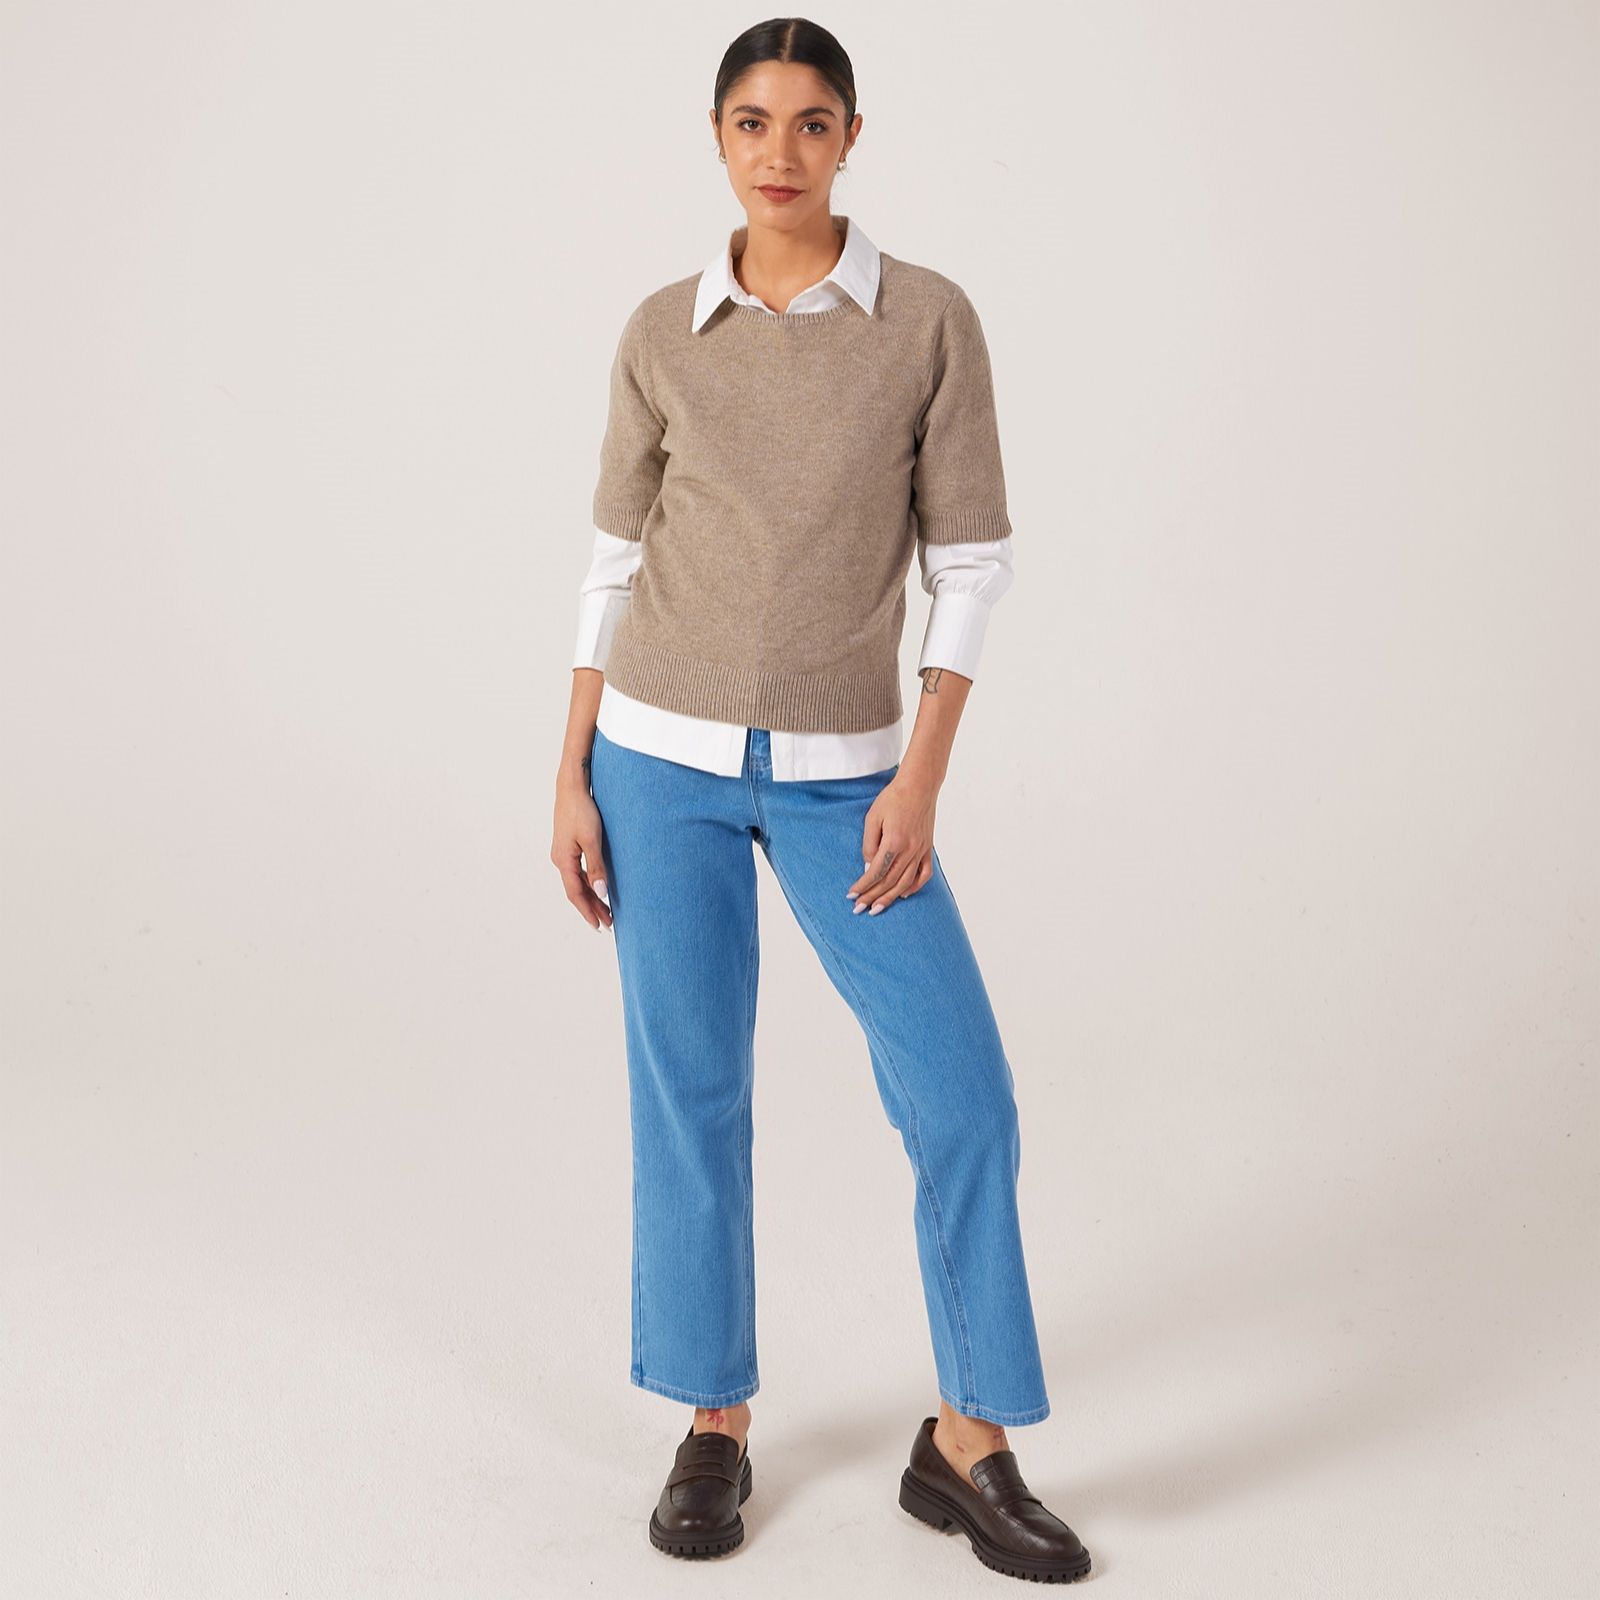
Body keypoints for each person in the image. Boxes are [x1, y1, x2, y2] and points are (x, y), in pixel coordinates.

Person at [551, 17, 1092, 1584]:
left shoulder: (924, 322)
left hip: (847, 778)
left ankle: (969, 1439)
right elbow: (613, 560)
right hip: (655, 761)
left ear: (852, 138)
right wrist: (571, 766)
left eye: (807, 122)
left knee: (961, 1094)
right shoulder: (665, 330)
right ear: (717, 139)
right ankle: (713, 1419)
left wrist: (921, 774)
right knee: (692, 1090)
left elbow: (969, 564)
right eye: (749, 121)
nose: (776, 151)